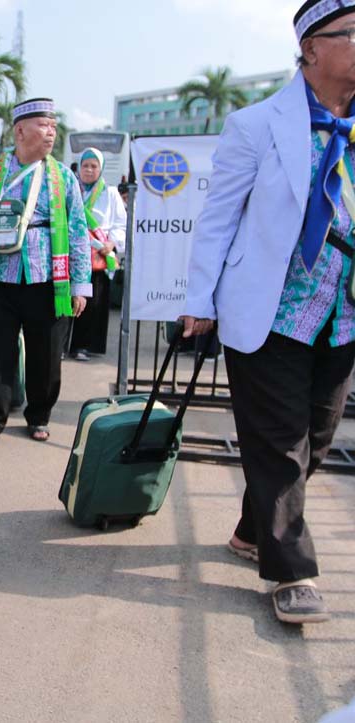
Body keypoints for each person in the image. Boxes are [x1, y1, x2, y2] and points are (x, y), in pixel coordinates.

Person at [181, 0, 355, 624]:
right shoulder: (257, 124)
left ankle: (252, 530)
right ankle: (291, 573)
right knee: (280, 443)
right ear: (311, 49)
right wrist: (199, 301)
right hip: (272, 310)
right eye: (353, 32)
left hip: (341, 312)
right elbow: (219, 217)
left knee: (317, 438)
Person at [0, 98, 91, 449]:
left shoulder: (63, 177)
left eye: (54, 126)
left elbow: (78, 231)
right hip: (1, 277)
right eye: (44, 125)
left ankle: (39, 416)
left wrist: (80, 285)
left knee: (47, 355)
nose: (51, 132)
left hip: (49, 280)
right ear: (20, 131)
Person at [69, 147, 126, 360]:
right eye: (85, 165)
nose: (89, 170)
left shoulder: (110, 193)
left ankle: (84, 346)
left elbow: (121, 223)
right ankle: (63, 345)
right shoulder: (71, 189)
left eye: (94, 166)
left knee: (93, 302)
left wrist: (112, 243)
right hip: (72, 253)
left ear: (101, 169)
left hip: (97, 256)